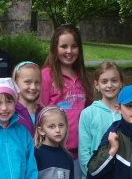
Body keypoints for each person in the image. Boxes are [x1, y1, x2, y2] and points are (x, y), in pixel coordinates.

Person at [40, 24, 94, 158]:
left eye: (74, 46)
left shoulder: (84, 76)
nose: (69, 51)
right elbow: (40, 112)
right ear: (55, 48)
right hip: (55, 150)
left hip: (82, 150)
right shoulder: (46, 75)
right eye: (64, 46)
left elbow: (89, 111)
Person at [78, 61, 123, 179]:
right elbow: (84, 151)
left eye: (114, 80)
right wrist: (94, 173)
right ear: (97, 85)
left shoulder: (128, 113)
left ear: (121, 83)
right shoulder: (88, 113)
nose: (109, 85)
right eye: (104, 81)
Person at [13, 61, 43, 134]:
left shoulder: (43, 112)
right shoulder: (11, 112)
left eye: (37, 82)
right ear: (15, 83)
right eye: (28, 82)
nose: (33, 87)